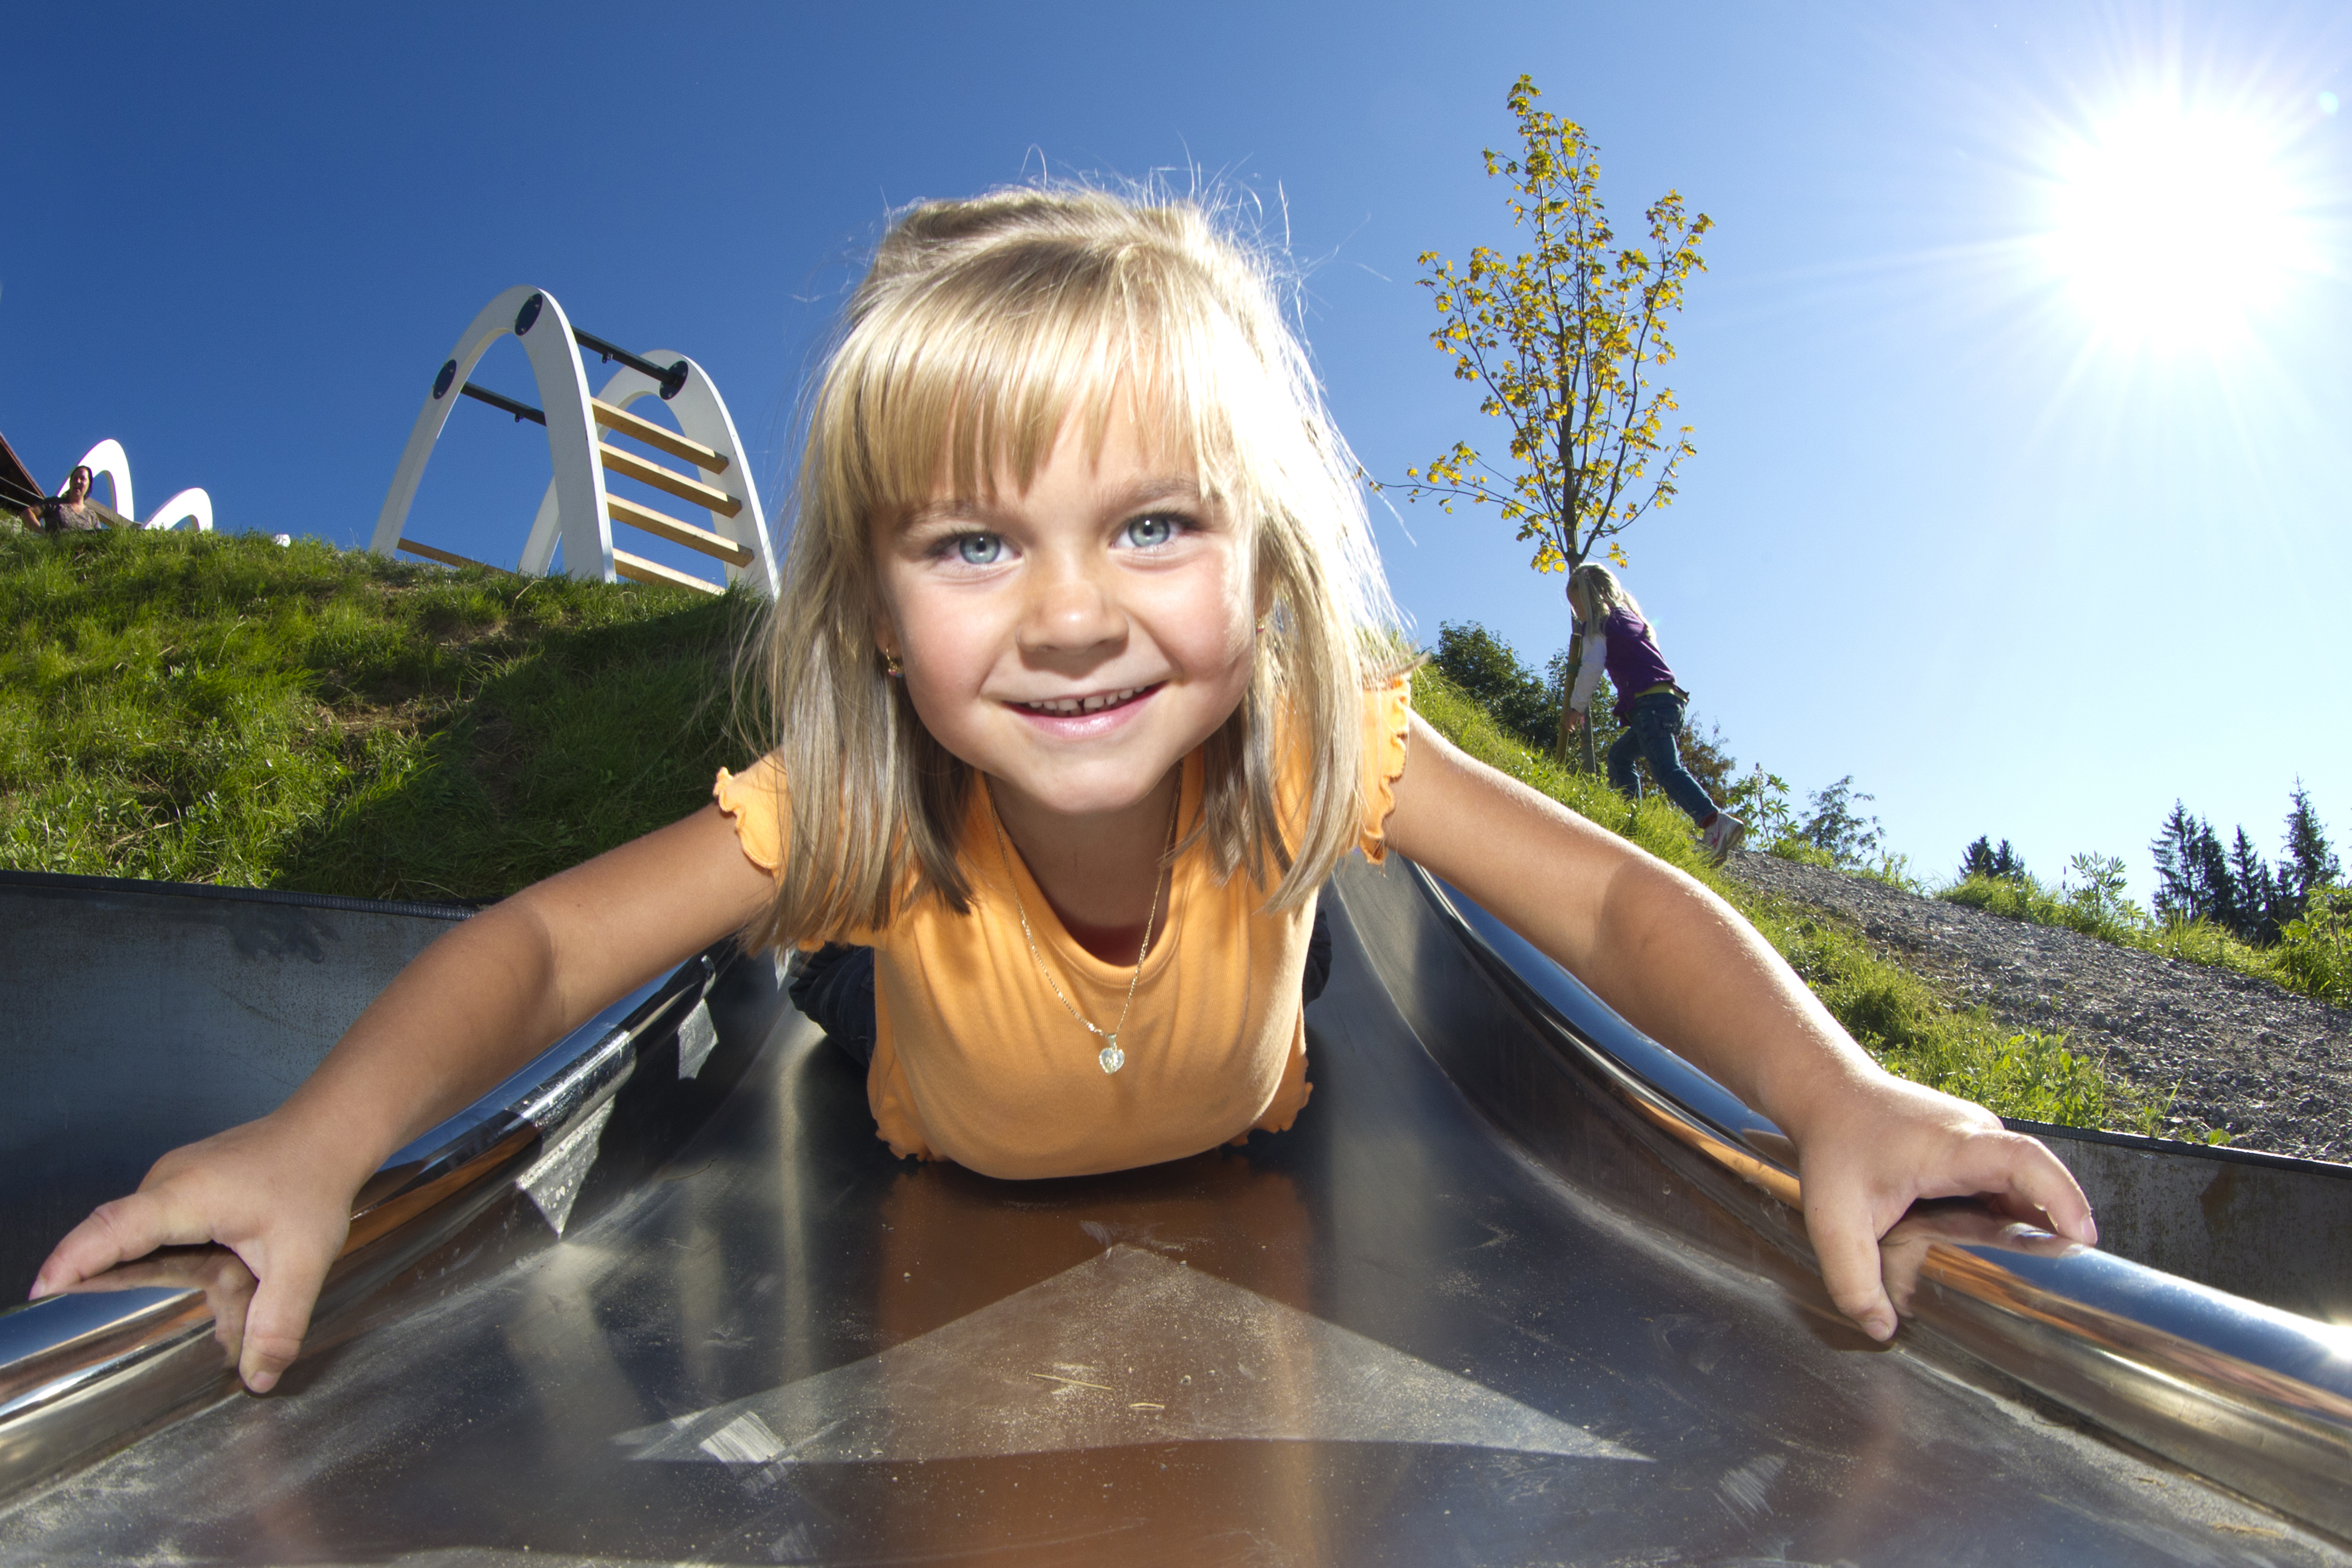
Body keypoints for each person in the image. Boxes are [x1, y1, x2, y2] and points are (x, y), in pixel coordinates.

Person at [31, 187, 2092, 1393]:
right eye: (971, 545)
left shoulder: (1314, 739)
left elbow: (1620, 903)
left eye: (1155, 525)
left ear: (1264, 551)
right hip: (929, 1104)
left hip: (1231, 1096)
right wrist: (324, 1140)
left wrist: (1828, 1090)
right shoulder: (844, 801)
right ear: (868, 608)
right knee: (831, 951)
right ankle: (826, 997)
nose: (1073, 614)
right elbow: (544, 937)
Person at [1563, 562, 1746, 863]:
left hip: (1650, 705)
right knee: (1619, 757)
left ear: (1591, 597)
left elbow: (1592, 667)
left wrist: (1576, 706)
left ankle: (1714, 822)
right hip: (1667, 702)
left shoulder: (1600, 623)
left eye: (1577, 604)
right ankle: (1631, 821)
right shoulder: (1630, 618)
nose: (1576, 613)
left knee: (1666, 768)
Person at [36, 465, 108, 532]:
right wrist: (44, 535)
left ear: (89, 484)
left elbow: (98, 539)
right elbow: (28, 513)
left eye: (82, 479)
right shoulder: (54, 504)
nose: (77, 481)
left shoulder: (91, 516)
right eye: (75, 478)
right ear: (70, 482)